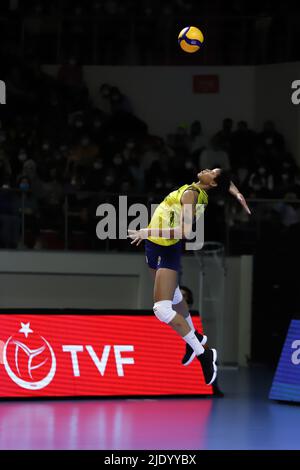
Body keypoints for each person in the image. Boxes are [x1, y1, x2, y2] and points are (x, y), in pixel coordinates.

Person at [128, 168, 251, 386]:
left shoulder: (190, 195)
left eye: (212, 172)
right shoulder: (200, 189)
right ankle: (195, 337)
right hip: (153, 246)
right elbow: (226, 183)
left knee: (162, 309)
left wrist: (146, 232)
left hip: (165, 247)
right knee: (173, 294)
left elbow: (184, 232)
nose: (207, 170)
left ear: (212, 184)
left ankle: (204, 354)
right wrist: (237, 193)